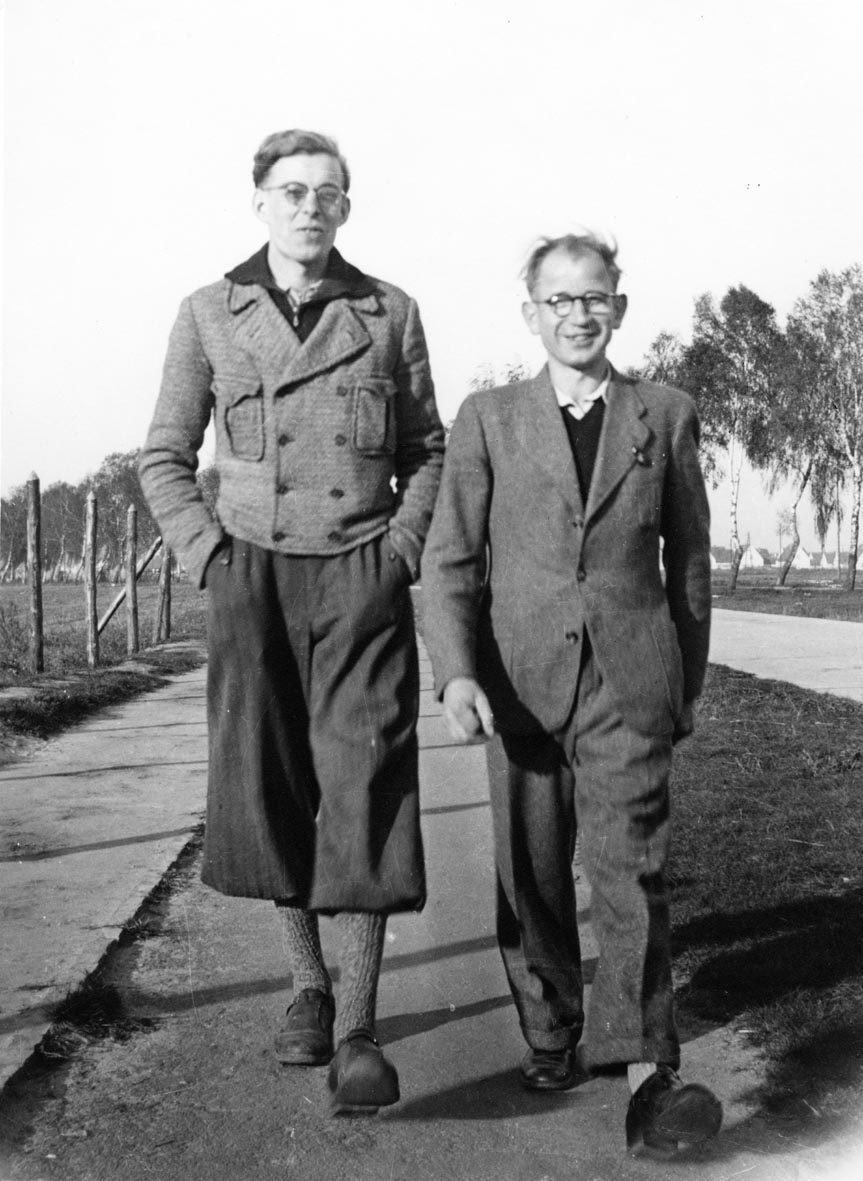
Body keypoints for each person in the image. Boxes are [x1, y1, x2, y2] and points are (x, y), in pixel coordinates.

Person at [139, 129, 444, 1114]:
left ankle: (357, 1028)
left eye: (327, 193)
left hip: (359, 575)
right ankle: (306, 988)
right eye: (290, 191)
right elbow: (162, 455)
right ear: (260, 203)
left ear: (345, 209)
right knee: (271, 781)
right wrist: (213, 557)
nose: (309, 207)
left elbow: (427, 450)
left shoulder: (388, 312)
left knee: (362, 784)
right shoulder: (207, 313)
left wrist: (397, 551)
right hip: (254, 579)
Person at [421, 231, 722, 1157]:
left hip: (627, 681)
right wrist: (458, 671)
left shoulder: (662, 413)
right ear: (531, 315)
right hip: (517, 683)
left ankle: (642, 1069)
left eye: (594, 298)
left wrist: (683, 682)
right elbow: (449, 560)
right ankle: (551, 1032)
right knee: (532, 870)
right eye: (559, 300)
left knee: (631, 870)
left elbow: (691, 564)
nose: (578, 314)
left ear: (619, 309)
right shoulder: (487, 417)